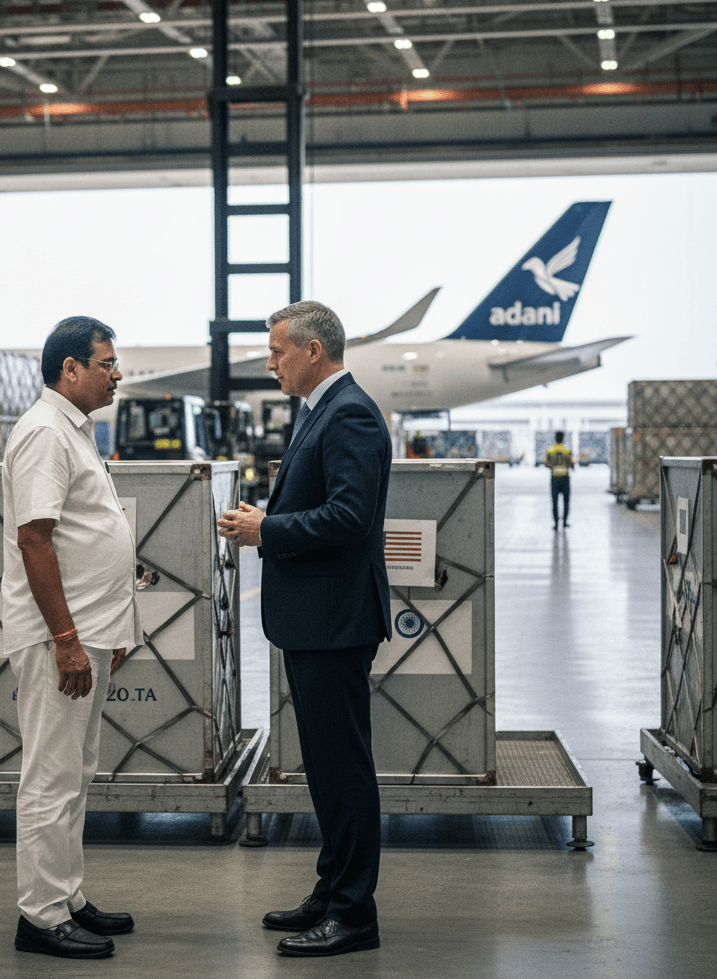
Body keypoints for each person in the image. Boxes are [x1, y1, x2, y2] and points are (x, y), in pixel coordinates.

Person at [217, 301, 392, 958]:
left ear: (313, 350)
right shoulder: (323, 412)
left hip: (335, 620)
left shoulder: (347, 412)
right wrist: (273, 519)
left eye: (277, 352)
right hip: (318, 619)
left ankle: (354, 915)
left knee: (343, 770)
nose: (269, 363)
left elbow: (348, 515)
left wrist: (268, 530)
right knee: (323, 767)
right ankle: (332, 890)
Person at [1, 316, 141, 960]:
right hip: (57, 639)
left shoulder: (74, 431)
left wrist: (108, 630)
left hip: (87, 632)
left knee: (76, 772)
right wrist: (64, 637)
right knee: (51, 776)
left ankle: (67, 896)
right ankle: (41, 914)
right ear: (70, 369)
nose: (117, 374)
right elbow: (36, 537)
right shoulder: (42, 433)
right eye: (107, 363)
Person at [544, 430, 575, 530]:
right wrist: (570, 466)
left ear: (555, 438)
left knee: (555, 501)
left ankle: (556, 523)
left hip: (554, 478)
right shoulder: (567, 450)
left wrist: (553, 467)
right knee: (566, 501)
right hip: (565, 478)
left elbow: (546, 463)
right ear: (563, 438)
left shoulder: (550, 450)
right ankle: (565, 522)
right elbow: (571, 462)